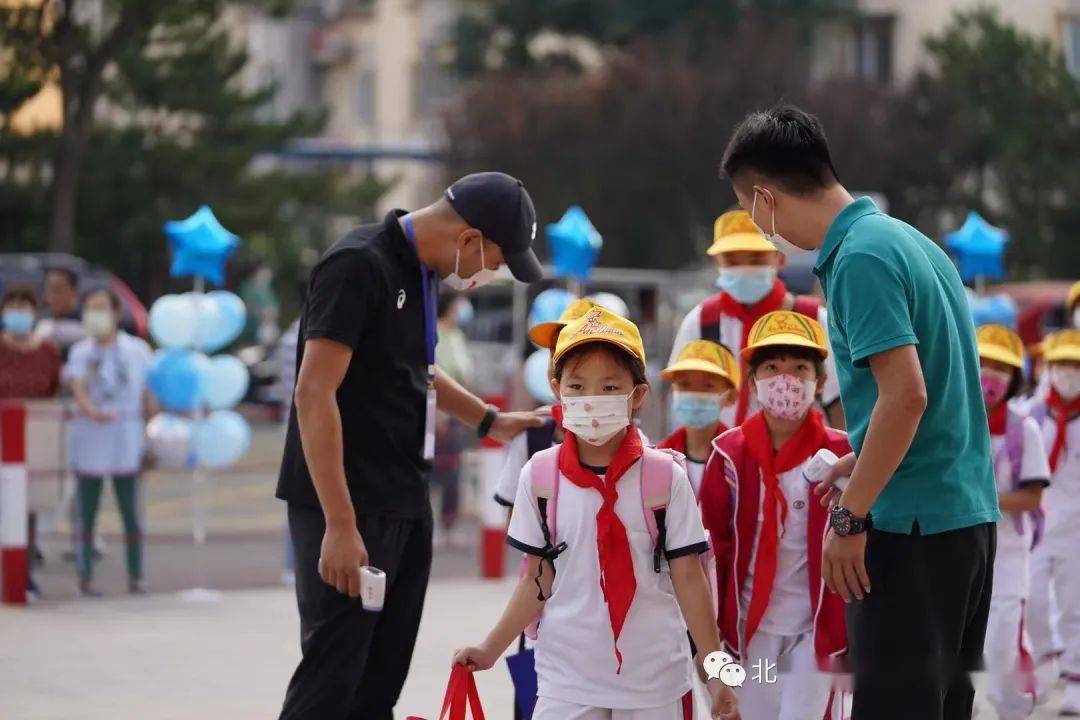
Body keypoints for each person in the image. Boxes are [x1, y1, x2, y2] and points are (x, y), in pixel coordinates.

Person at [720, 104, 999, 720]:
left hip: (913, 530)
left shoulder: (859, 260)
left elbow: (908, 396)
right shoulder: (910, 242)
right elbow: (939, 397)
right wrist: (857, 457)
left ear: (765, 198)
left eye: (748, 209)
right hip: (964, 519)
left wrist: (850, 519)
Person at [275, 172, 546, 720]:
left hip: (403, 498)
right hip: (351, 508)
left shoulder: (422, 273)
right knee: (332, 679)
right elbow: (313, 391)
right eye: (495, 258)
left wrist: (489, 419)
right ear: (469, 238)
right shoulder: (357, 266)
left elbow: (417, 372)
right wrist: (340, 525)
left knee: (380, 681)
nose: (490, 272)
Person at [453, 306, 740, 720]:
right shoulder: (541, 476)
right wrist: (490, 648)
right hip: (566, 678)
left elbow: (689, 577)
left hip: (655, 680)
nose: (592, 400)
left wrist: (715, 672)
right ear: (557, 389)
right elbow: (537, 577)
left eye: (609, 388)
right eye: (578, 386)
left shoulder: (664, 476)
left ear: (637, 395)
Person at [700, 311, 850, 720]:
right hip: (752, 635)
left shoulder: (844, 455)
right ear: (753, 383)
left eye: (800, 368)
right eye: (771, 367)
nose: (785, 379)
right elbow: (712, 549)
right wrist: (709, 636)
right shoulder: (728, 455)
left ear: (820, 382)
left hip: (816, 634)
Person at [669, 210, 843, 429]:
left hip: (802, 455)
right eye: (731, 260)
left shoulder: (813, 319)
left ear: (780, 259)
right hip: (721, 455)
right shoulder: (701, 321)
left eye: (756, 258)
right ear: (716, 262)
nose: (744, 269)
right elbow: (681, 397)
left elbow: (838, 400)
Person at [974, 325, 1050, 720]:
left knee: (1003, 643)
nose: (990, 374)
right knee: (962, 646)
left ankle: (1015, 708)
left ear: (1015, 377)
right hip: (961, 550)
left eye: (1001, 368)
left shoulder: (1025, 430)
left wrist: (977, 500)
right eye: (983, 362)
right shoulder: (952, 424)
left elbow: (1033, 496)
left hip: (1008, 554)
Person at [65, 287, 154, 597]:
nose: (95, 314)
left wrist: (151, 437)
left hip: (126, 440)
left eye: (101, 307)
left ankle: (136, 575)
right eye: (89, 308)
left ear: (116, 313)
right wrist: (92, 410)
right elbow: (77, 386)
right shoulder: (80, 351)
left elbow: (148, 395)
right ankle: (85, 576)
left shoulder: (137, 350)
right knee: (86, 513)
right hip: (90, 439)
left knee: (131, 513)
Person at [493, 298, 597, 511]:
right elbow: (515, 523)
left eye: (574, 352)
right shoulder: (534, 436)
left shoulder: (633, 446)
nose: (558, 364)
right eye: (554, 352)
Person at [1026, 329, 1080, 714]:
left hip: (1077, 529)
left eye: (1075, 366)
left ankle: (1075, 677)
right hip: (1037, 526)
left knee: (1074, 606)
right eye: (1061, 365)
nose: (1068, 373)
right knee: (1033, 605)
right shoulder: (1031, 416)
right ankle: (1046, 661)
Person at [0, 285, 63, 599]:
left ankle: (24, 576)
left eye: (24, 307)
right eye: (12, 307)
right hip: (1, 437)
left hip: (34, 438)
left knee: (27, 511)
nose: (17, 314)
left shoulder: (48, 351)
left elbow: (52, 391)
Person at [658, 339, 739, 496]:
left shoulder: (740, 457)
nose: (695, 394)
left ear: (731, 396)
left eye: (708, 385)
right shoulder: (660, 458)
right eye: (684, 384)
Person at [433, 292, 476, 546]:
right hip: (439, 414)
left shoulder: (457, 335)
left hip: (458, 416)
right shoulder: (436, 335)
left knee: (453, 471)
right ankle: (434, 523)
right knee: (436, 469)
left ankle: (449, 523)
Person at [35, 266, 86, 359]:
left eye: (57, 289)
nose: (51, 295)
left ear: (74, 292)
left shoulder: (87, 321)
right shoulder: (41, 321)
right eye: (49, 289)